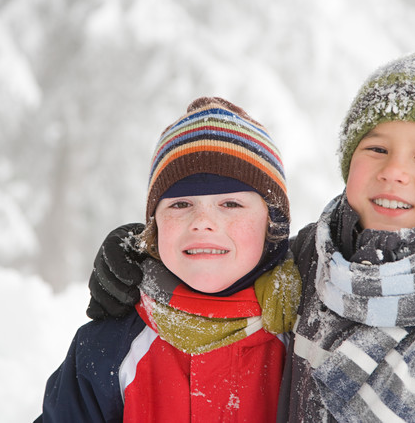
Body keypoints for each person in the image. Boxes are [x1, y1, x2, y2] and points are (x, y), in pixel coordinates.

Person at [86, 48, 415, 422]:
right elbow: (229, 257)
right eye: (376, 148)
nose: (393, 171)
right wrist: (138, 254)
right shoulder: (316, 260)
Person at [36, 97, 301, 422]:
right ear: (155, 227)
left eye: (230, 204)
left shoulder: (306, 338)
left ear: (272, 226)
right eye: (180, 205)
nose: (203, 221)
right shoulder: (107, 348)